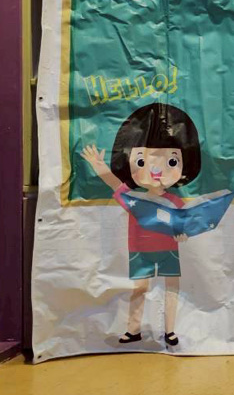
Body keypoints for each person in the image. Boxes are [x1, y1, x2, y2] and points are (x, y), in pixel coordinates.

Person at [81, 102, 203, 348]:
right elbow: (116, 185)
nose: (156, 170)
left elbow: (181, 224)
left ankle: (170, 331)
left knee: (171, 288)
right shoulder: (135, 200)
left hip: (168, 250)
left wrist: (181, 234)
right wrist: (101, 168)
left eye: (172, 162)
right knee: (139, 288)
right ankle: (134, 329)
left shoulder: (174, 201)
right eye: (142, 161)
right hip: (139, 250)